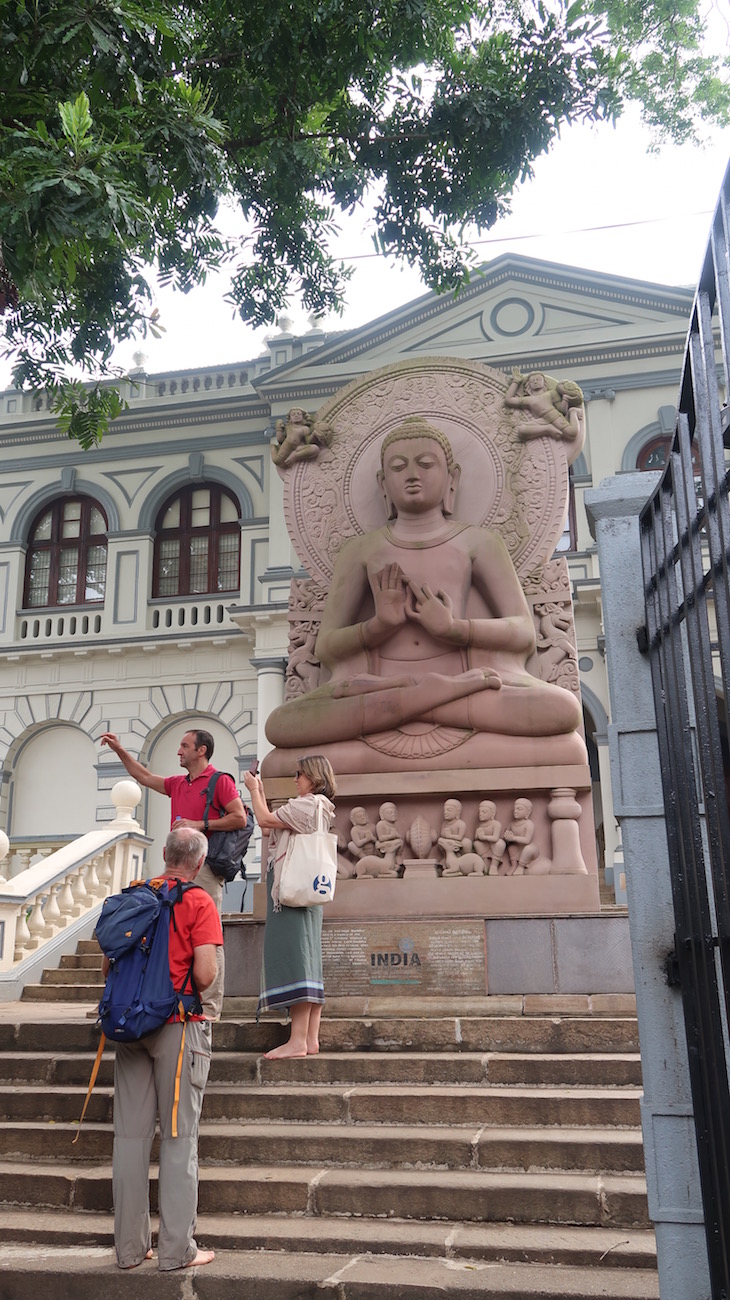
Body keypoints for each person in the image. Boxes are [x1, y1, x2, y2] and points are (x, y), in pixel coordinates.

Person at [264, 417, 582, 752]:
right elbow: (326, 647)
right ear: (383, 483)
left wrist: (455, 629)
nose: (412, 475)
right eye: (398, 467)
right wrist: (378, 626)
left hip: (458, 680)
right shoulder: (360, 550)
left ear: (451, 477)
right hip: (378, 684)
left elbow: (523, 632)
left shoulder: (479, 542)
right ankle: (433, 698)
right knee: (282, 725)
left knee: (561, 710)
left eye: (426, 464)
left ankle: (411, 703)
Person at [108, 826, 222, 1271]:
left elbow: (108, 964)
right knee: (179, 1139)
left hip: (129, 1027)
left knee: (130, 1139)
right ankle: (177, 1251)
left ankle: (130, 1250)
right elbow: (207, 973)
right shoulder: (198, 900)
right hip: (177, 1023)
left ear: (164, 855)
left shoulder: (131, 895)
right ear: (198, 862)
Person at [99, 728, 247, 1018]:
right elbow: (142, 776)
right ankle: (164, 996)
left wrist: (198, 823)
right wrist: (119, 750)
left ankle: (210, 1008)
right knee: (165, 927)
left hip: (203, 866)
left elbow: (239, 817)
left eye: (184, 745)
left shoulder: (220, 781)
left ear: (201, 750)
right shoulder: (178, 783)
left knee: (207, 936)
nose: (179, 751)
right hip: (175, 867)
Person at [244, 754, 336, 1060]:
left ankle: (297, 1040)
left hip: (292, 890)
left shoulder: (308, 803)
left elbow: (265, 820)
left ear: (313, 776)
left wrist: (254, 790)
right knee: (309, 958)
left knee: (296, 957)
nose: (295, 779)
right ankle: (309, 1039)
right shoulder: (320, 807)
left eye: (299, 774)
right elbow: (274, 826)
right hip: (308, 890)